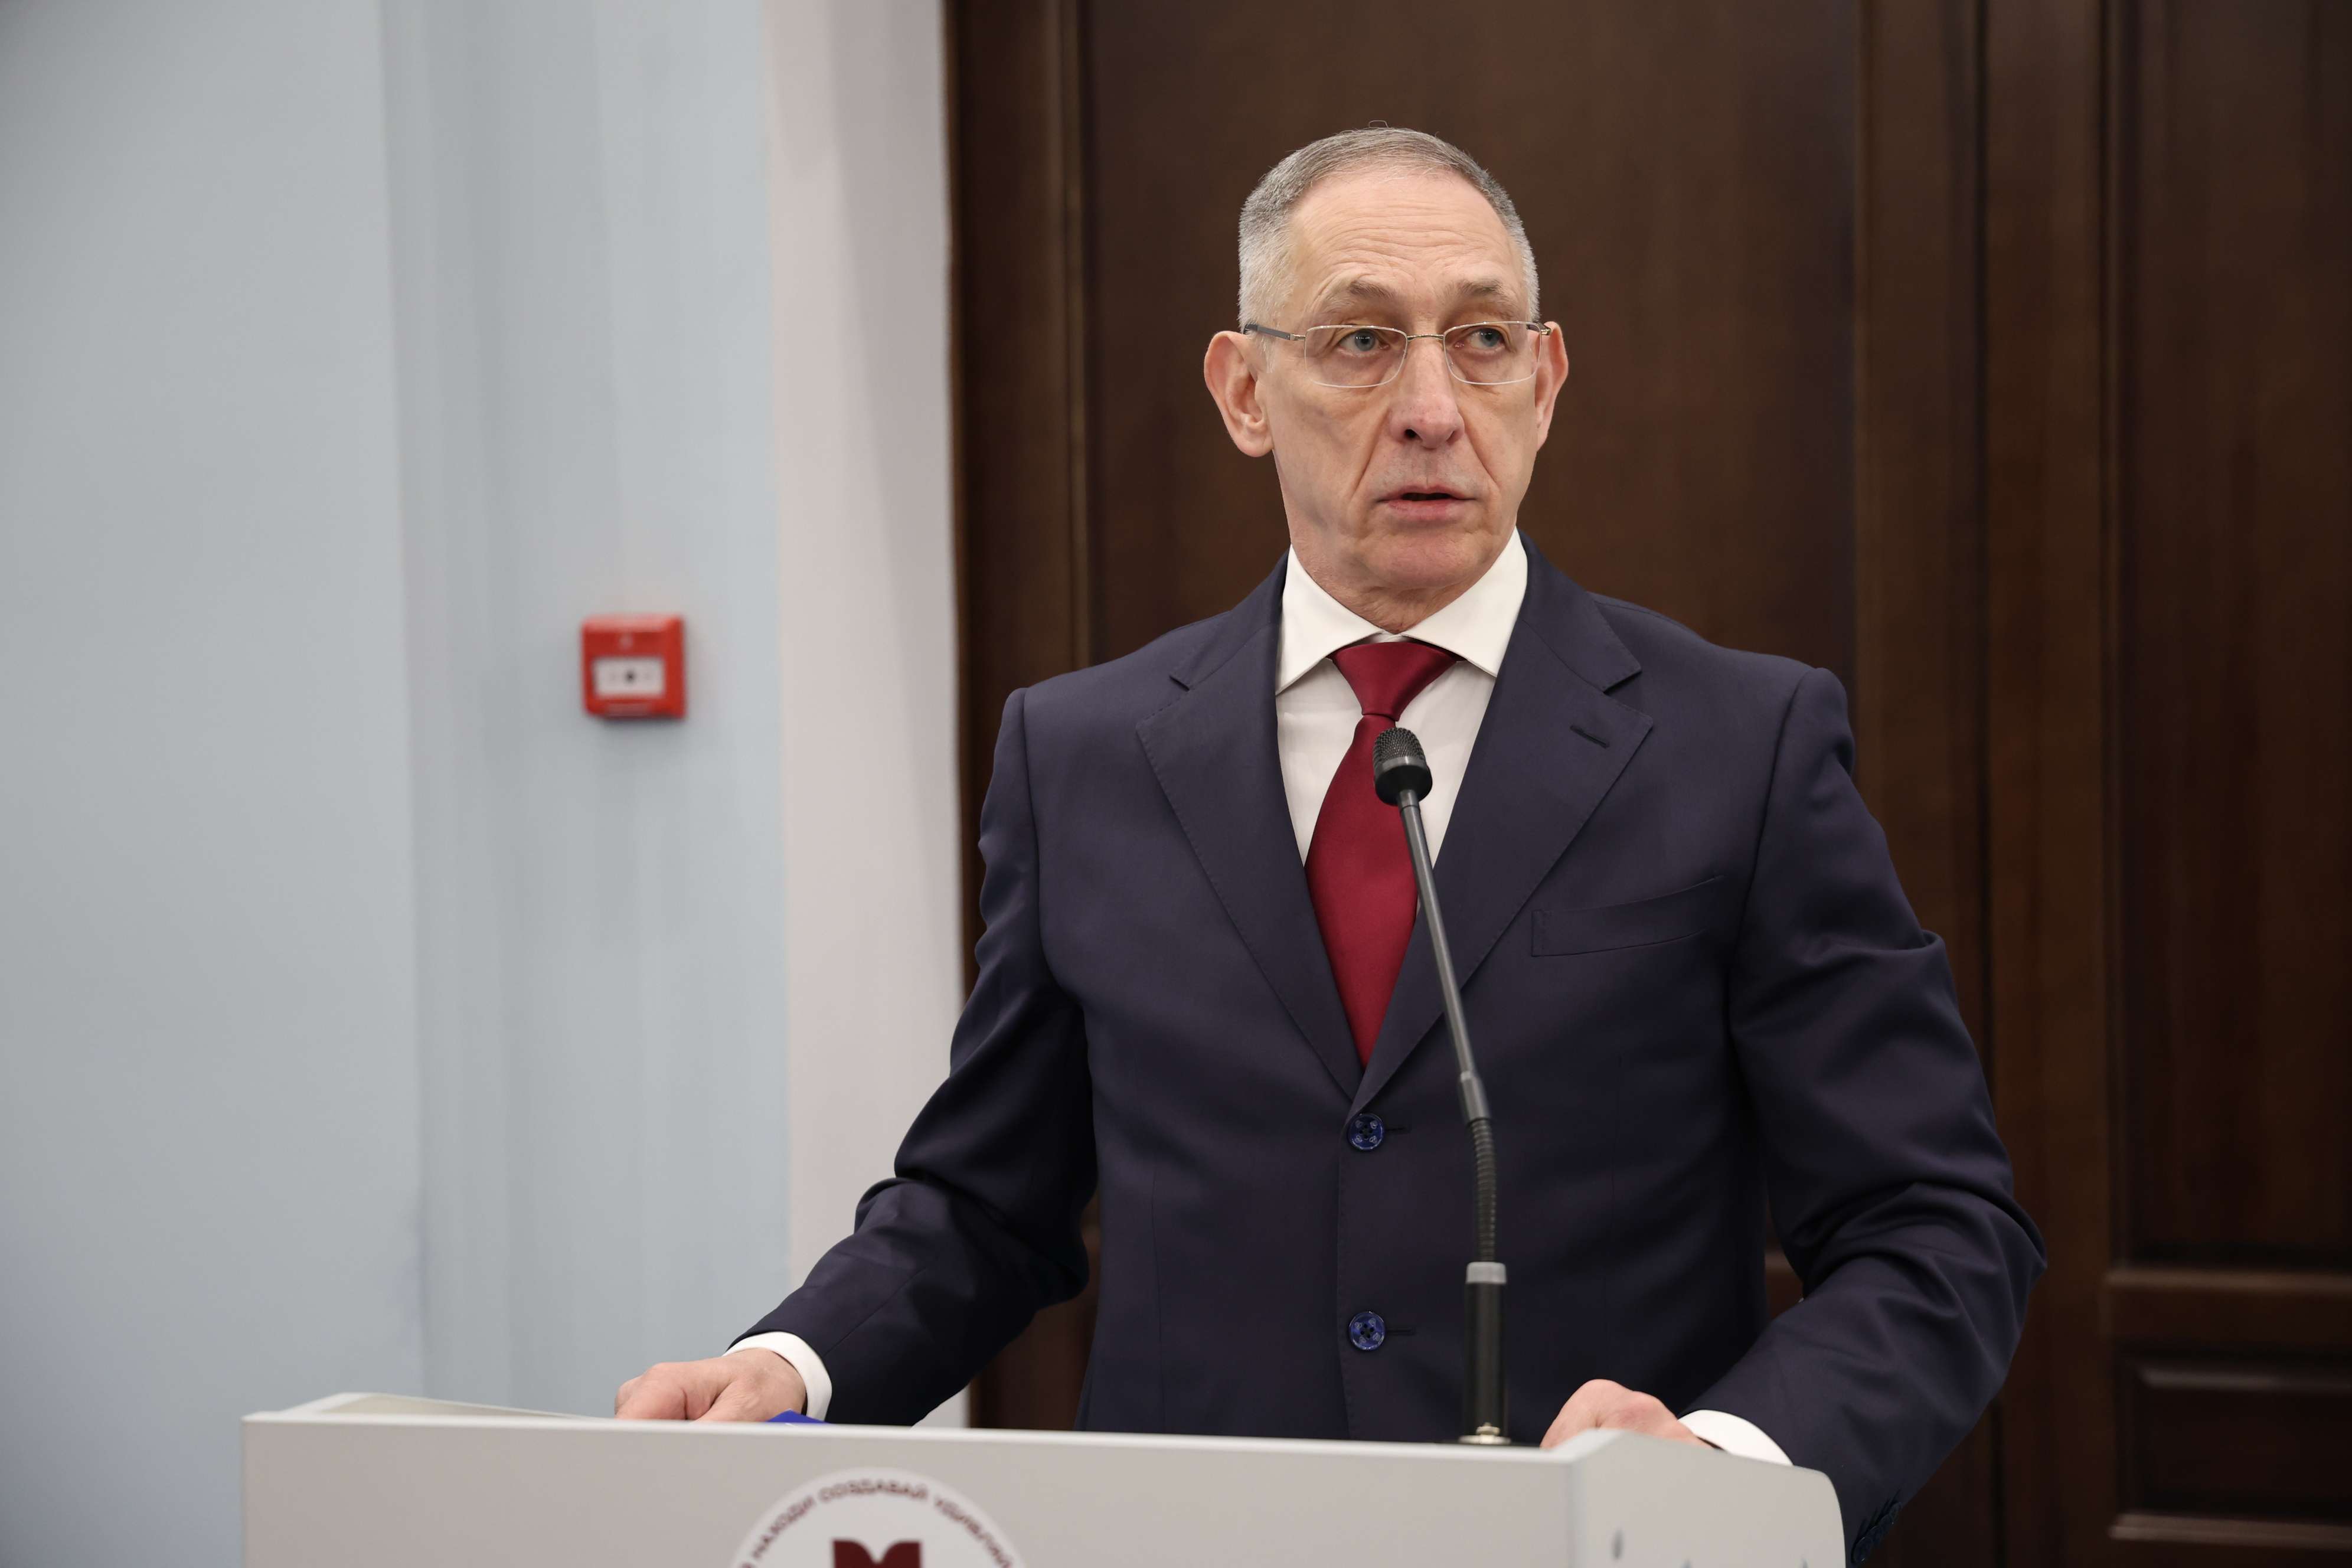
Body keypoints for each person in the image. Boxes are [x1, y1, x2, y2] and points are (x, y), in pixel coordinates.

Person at [616, 127, 2043, 1563]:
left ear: (1545, 383)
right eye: (1362, 341)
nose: (1431, 408)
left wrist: (1720, 1464)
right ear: (1245, 390)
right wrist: (792, 1364)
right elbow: (987, 1201)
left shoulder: (1739, 745)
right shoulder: (1084, 754)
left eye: (1481, 340)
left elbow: (1937, 1225)